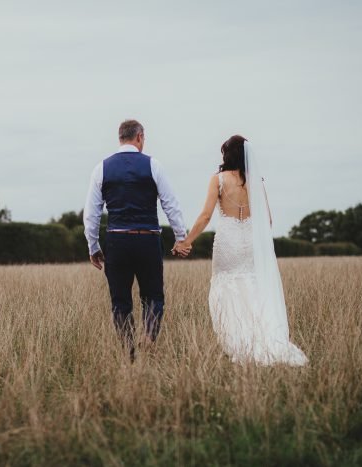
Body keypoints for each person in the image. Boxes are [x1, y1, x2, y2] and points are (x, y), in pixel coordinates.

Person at [173, 135, 307, 365]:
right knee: (251, 289)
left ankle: (238, 342)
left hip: (227, 243)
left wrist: (186, 241)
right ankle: (262, 339)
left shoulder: (218, 180)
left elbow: (205, 216)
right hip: (250, 246)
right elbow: (269, 221)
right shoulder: (257, 182)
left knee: (226, 288)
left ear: (227, 154)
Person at [83, 119, 189, 361]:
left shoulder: (101, 168)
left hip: (116, 242)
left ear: (120, 138)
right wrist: (181, 237)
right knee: (153, 296)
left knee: (120, 301)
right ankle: (149, 336)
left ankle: (129, 354)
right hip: (148, 240)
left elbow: (91, 214)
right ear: (140, 137)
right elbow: (171, 204)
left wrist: (93, 246)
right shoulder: (153, 165)